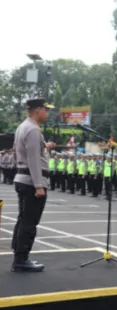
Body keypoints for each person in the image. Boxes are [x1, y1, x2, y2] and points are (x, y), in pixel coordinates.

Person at [12, 98, 56, 272]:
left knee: (23, 220)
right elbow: (33, 159)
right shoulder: (33, 129)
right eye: (46, 109)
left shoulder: (24, 126)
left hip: (23, 178)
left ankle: (19, 254)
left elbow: (23, 153)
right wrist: (38, 185)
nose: (47, 113)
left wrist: (45, 148)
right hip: (31, 182)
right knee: (29, 222)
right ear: (37, 110)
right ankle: (22, 259)